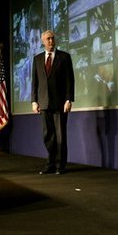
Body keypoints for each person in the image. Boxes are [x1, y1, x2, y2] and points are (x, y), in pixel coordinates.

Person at [31, 30, 75, 175]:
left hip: (60, 104)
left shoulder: (64, 57)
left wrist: (69, 99)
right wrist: (34, 101)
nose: (51, 41)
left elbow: (70, 80)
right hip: (43, 103)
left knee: (60, 136)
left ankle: (60, 166)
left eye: (52, 38)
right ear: (43, 41)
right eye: (48, 39)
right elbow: (35, 82)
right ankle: (50, 164)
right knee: (47, 135)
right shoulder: (37, 59)